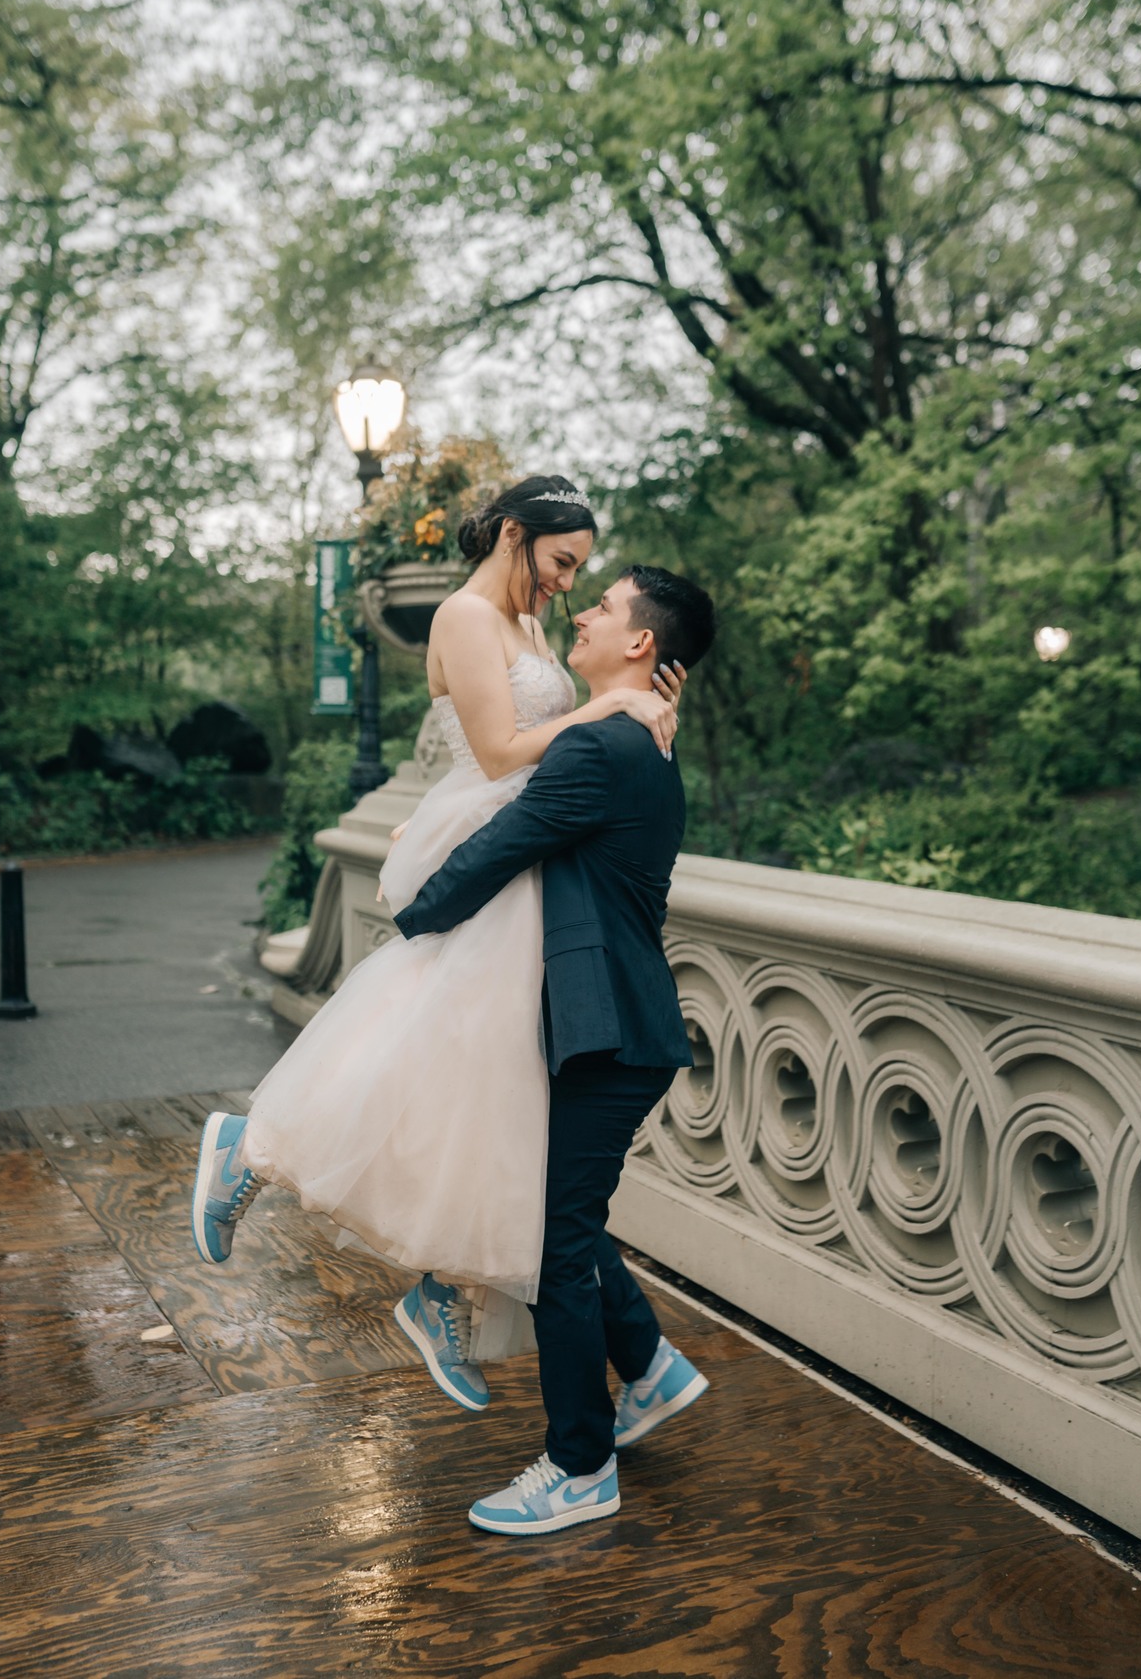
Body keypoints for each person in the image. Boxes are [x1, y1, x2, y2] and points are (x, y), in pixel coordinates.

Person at [189, 477, 683, 1399]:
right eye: (560, 562)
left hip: (535, 860)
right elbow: (499, 753)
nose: (567, 586)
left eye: (580, 572)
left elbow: (583, 755)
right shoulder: (460, 615)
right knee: (413, 1048)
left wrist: (646, 709)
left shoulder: (534, 627)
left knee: (484, 1086)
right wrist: (610, 708)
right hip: (488, 832)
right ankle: (248, 1149)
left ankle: (445, 1284)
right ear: (513, 535)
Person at [391, 562, 718, 1535]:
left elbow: (499, 849)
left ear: (641, 645)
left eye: (605, 605)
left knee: (554, 1247)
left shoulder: (608, 746)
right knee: (557, 1219)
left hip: (605, 1032)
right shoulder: (641, 740)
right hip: (614, 1024)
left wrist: (409, 930)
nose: (582, 609)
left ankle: (582, 1462)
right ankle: (652, 1368)